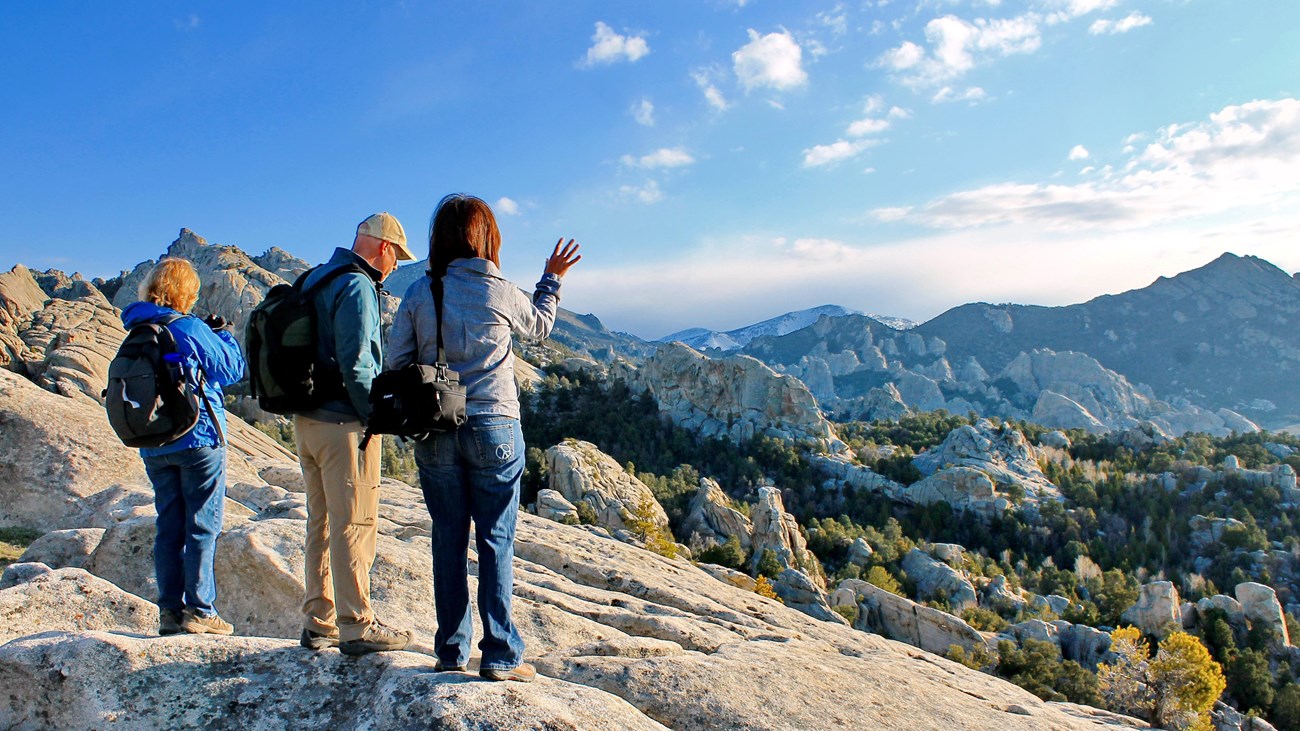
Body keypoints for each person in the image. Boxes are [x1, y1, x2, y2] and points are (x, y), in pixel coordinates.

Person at [387, 194, 581, 681]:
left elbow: (395, 364)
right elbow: (539, 328)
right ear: (486, 237)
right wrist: (551, 279)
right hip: (495, 423)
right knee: (496, 539)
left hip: (436, 426)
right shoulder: (498, 288)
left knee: (448, 538)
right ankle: (499, 655)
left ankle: (451, 650)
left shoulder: (418, 292)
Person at [297, 212, 417, 656]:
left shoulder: (313, 279)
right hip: (343, 425)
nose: (395, 267)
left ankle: (318, 619)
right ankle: (356, 623)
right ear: (384, 247)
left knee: (321, 522)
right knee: (356, 522)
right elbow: (358, 362)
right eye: (397, 258)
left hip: (306, 422)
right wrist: (378, 416)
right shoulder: (357, 285)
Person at [120, 257, 246, 636]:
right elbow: (231, 370)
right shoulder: (187, 326)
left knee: (168, 527)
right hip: (198, 438)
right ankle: (202, 611)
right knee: (202, 526)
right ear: (185, 292)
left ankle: (169, 612)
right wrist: (223, 334)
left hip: (155, 443)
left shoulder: (137, 328)